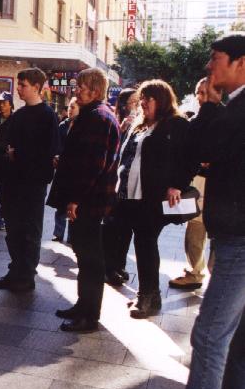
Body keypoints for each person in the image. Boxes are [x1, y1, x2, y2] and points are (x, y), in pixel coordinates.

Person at [141, 34, 245, 389]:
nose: (209, 67)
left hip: (240, 238)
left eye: (216, 59)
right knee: (237, 336)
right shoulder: (232, 106)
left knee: (209, 334)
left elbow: (205, 147)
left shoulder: (236, 109)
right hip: (236, 234)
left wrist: (210, 106)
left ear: (240, 63)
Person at [104, 80, 192, 319]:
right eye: (142, 98)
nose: (143, 103)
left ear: (161, 100)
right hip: (129, 195)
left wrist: (177, 185)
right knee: (137, 242)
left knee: (145, 244)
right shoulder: (140, 124)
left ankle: (148, 297)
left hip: (151, 197)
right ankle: (149, 295)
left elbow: (189, 158)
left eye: (148, 98)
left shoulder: (176, 124)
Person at [47, 67, 120, 332]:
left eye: (81, 87)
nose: (76, 91)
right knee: (84, 254)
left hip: (89, 200)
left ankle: (89, 315)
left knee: (90, 257)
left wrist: (76, 199)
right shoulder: (94, 115)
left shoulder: (98, 118)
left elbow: (93, 165)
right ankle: (83, 306)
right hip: (89, 199)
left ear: (96, 91)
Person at [0, 68, 60, 292]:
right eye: (19, 85)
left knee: (30, 231)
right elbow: (6, 143)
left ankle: (26, 275)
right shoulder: (19, 115)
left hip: (33, 184)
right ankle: (15, 271)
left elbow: (48, 151)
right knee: (13, 230)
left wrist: (18, 153)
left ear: (36, 87)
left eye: (23, 85)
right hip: (13, 181)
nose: (19, 90)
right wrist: (10, 152)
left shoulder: (48, 115)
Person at [168, 77, 217, 290]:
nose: (201, 97)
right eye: (199, 93)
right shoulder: (195, 121)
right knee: (195, 228)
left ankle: (214, 276)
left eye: (206, 93)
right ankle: (195, 272)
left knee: (216, 233)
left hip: (218, 184)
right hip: (197, 180)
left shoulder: (226, 118)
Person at [103, 87, 139, 286]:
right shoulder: (114, 120)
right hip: (113, 183)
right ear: (124, 104)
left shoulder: (140, 123)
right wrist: (122, 129)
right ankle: (109, 268)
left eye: (138, 102)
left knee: (126, 229)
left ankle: (119, 265)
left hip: (128, 186)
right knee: (112, 227)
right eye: (133, 102)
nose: (136, 106)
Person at [53, 97, 80, 243]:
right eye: (69, 107)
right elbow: (56, 144)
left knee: (72, 204)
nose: (70, 110)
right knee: (60, 204)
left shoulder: (82, 125)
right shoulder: (63, 125)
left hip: (74, 171)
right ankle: (58, 233)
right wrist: (56, 155)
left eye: (73, 107)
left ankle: (71, 236)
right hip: (62, 169)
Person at [0, 92, 13, 231]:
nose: (1, 106)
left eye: (4, 103)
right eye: (0, 103)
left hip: (7, 161)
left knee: (5, 191)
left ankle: (4, 217)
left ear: (10, 105)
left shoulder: (15, 120)